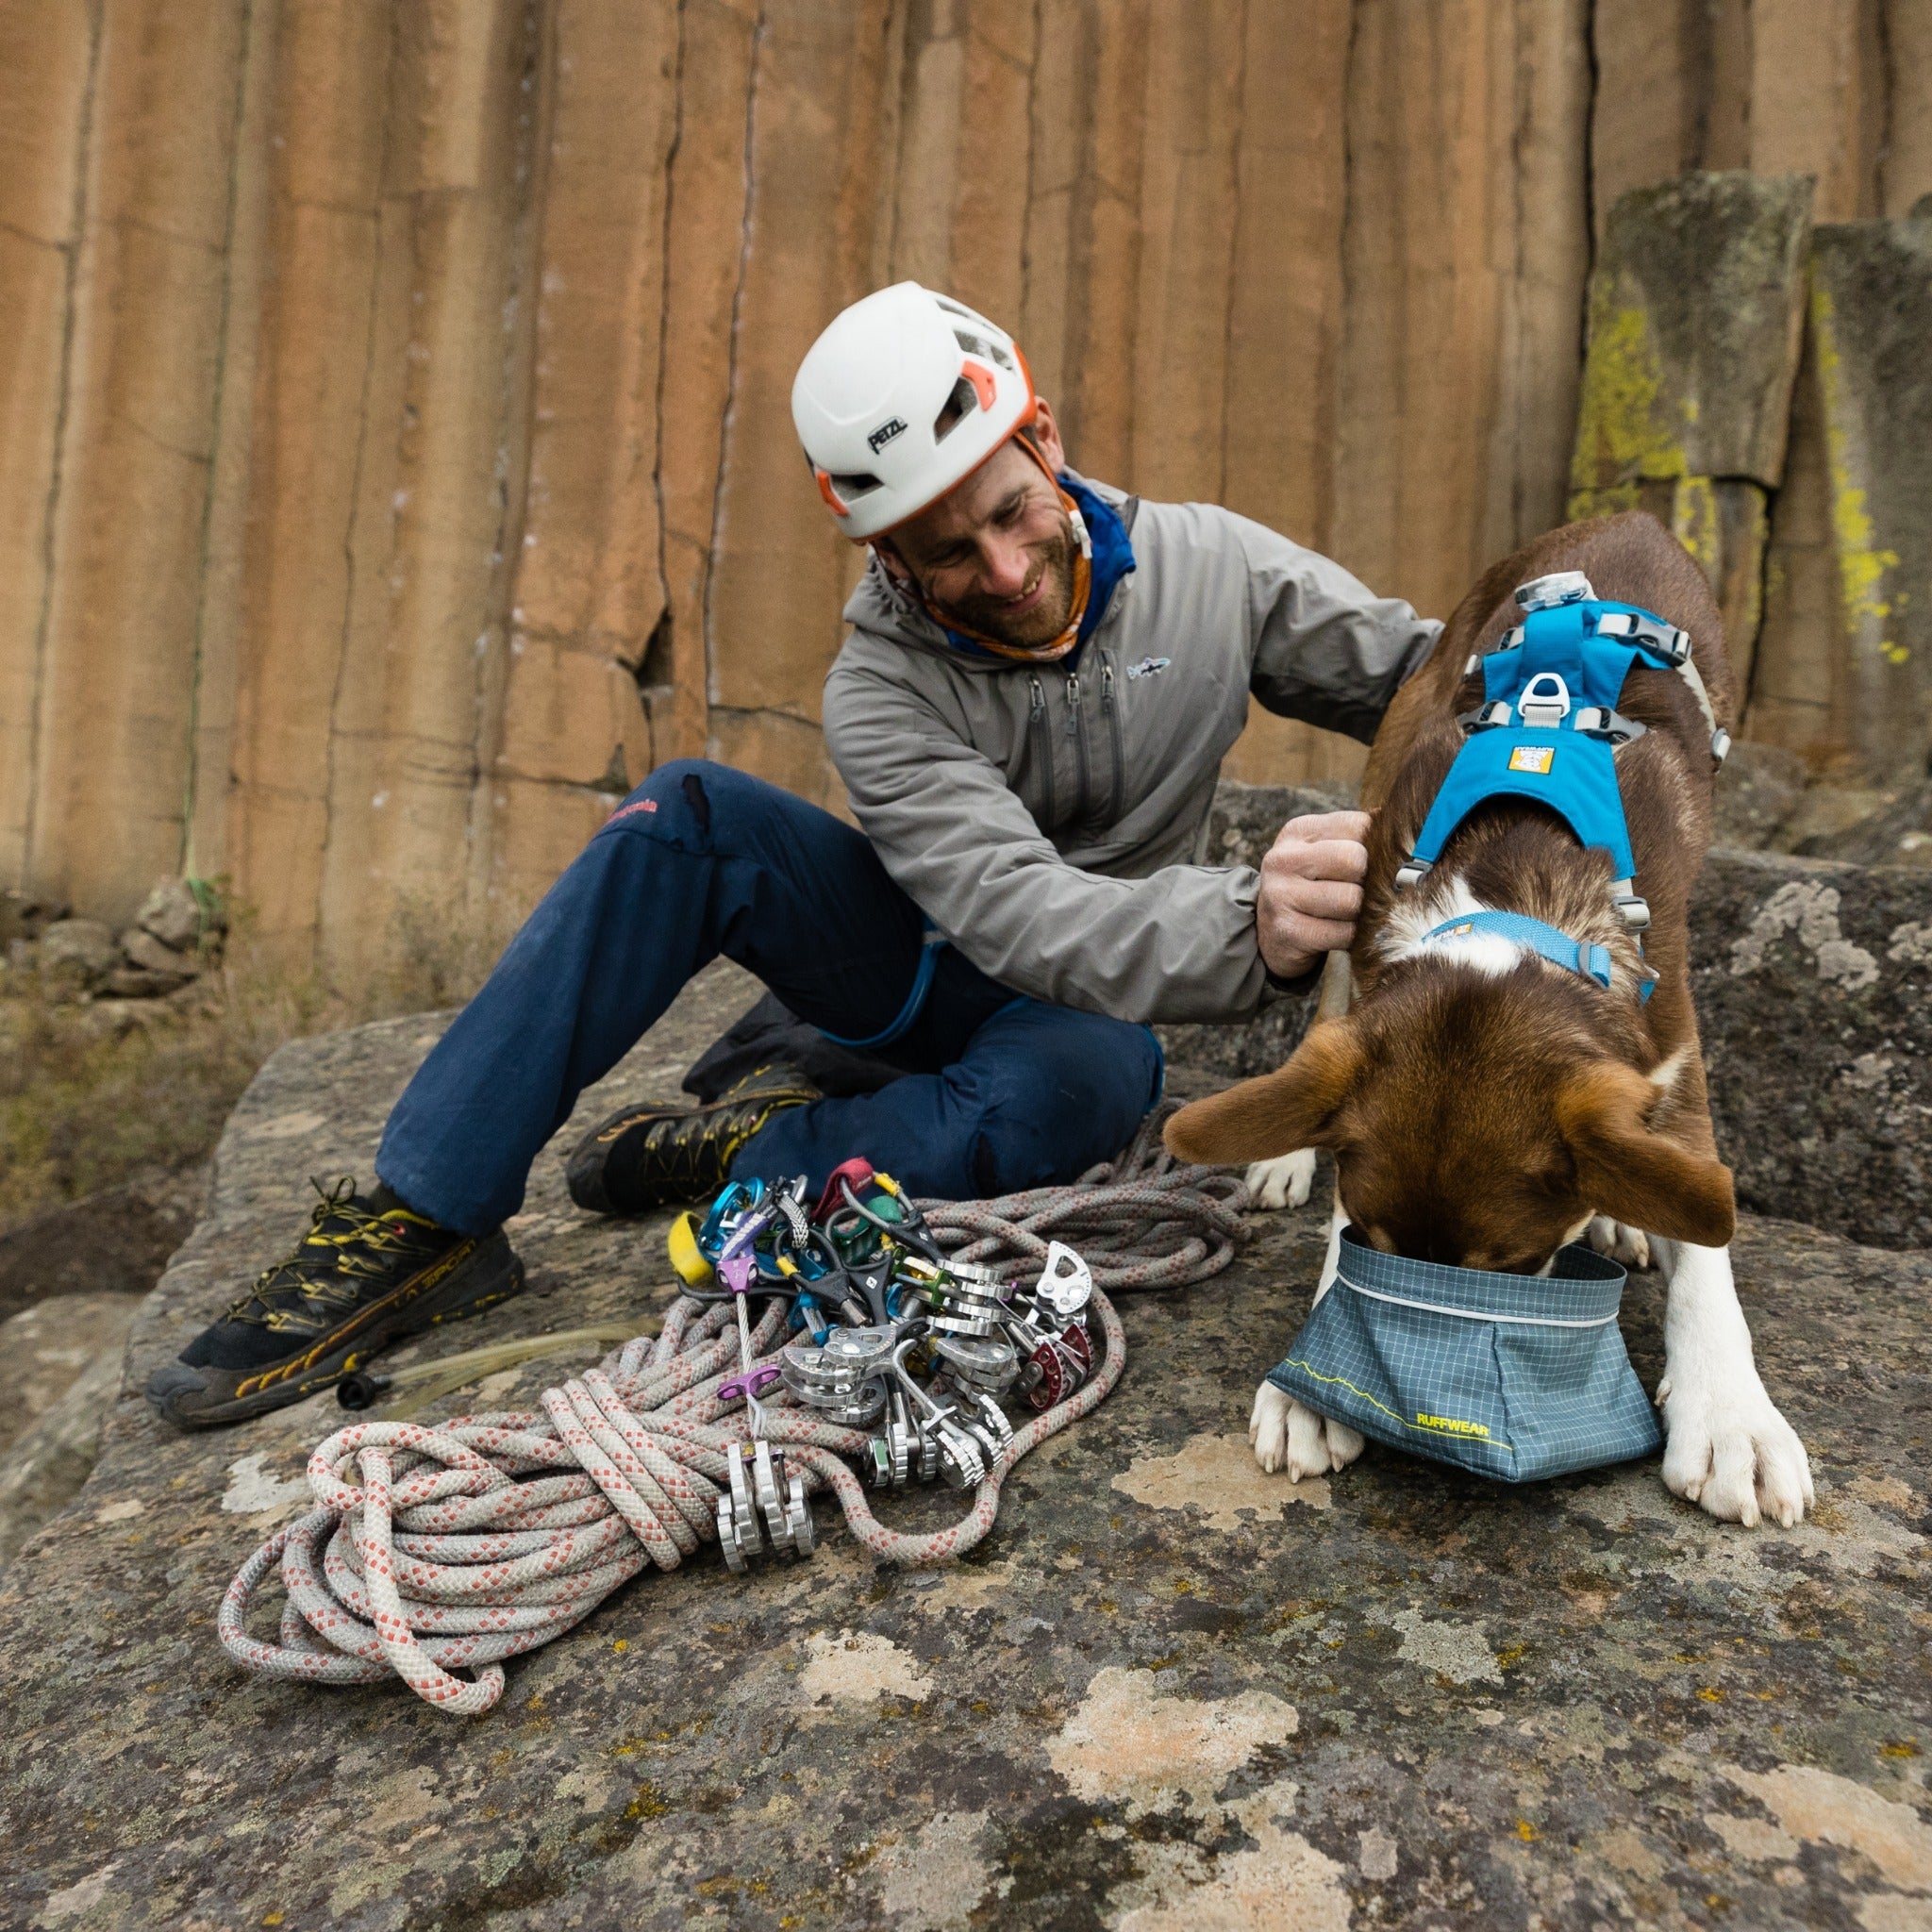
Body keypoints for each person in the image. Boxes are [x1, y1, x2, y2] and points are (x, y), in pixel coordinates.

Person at [146, 282, 1438, 1429]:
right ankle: (425, 1217)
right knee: (687, 812)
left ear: (1042, 439)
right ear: (885, 554)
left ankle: (752, 1155)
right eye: (945, 552)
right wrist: (1246, 927)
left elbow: (1430, 678)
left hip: (1077, 1016)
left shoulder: (1220, 568)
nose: (1002, 569)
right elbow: (1021, 912)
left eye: (1009, 511)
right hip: (912, 965)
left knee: (1082, 1092)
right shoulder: (878, 686)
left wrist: (1567, 655)